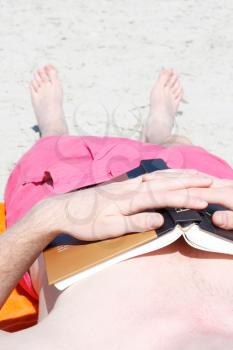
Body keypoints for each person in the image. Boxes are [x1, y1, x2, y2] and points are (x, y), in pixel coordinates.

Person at [1, 65, 233, 349]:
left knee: (52, 150)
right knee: (183, 149)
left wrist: (48, 217)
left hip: (72, 212)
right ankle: (160, 130)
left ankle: (52, 129)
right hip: (204, 197)